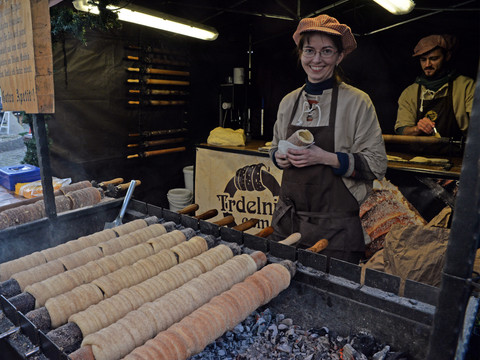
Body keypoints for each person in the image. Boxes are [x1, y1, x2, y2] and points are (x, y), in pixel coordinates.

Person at [268, 15, 387, 264]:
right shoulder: (289, 102)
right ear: (301, 54)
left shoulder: (357, 101)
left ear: (339, 56)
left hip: (337, 229)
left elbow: (376, 164)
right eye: (309, 51)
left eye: (327, 51)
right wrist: (278, 156)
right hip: (289, 221)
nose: (317, 60)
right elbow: (273, 147)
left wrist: (323, 157)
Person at [394, 34, 475, 141]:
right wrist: (417, 129)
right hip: (419, 156)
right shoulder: (410, 92)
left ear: (447, 56)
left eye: (434, 59)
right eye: (423, 60)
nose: (427, 64)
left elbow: (477, 126)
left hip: (456, 154)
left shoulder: (466, 86)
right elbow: (402, 130)